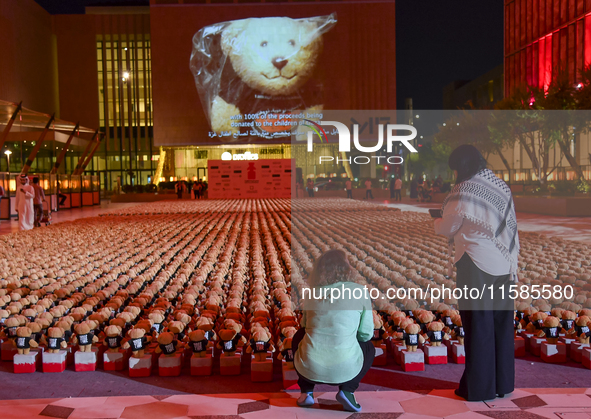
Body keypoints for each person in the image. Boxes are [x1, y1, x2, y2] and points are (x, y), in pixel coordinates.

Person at [433, 144, 519, 402]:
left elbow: (449, 226)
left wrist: (435, 221)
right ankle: (503, 383)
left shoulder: (464, 190)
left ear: (463, 166)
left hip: (475, 263)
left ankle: (480, 387)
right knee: (501, 324)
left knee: (478, 324)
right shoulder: (500, 187)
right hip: (503, 263)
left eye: (456, 168)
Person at [292, 250, 375, 412]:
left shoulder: (311, 293)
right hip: (346, 367)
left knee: (299, 336)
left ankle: (306, 392)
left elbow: (305, 325)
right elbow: (366, 334)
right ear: (346, 268)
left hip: (310, 365)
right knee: (369, 347)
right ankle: (348, 390)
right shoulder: (360, 291)